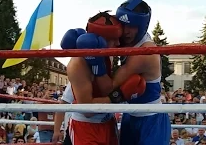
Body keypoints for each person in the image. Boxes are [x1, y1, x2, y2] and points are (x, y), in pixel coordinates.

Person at [60, 11, 146, 145]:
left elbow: (105, 88)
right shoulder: (78, 64)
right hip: (86, 127)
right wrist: (118, 96)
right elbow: (86, 110)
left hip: (108, 122)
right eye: (113, 38)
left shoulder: (107, 55)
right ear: (101, 39)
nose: (118, 43)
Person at [94, 0, 171, 144]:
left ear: (142, 26)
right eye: (123, 25)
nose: (126, 32)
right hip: (130, 115)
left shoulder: (144, 52)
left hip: (151, 118)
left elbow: (109, 87)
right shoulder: (124, 41)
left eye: (132, 26)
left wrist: (95, 60)